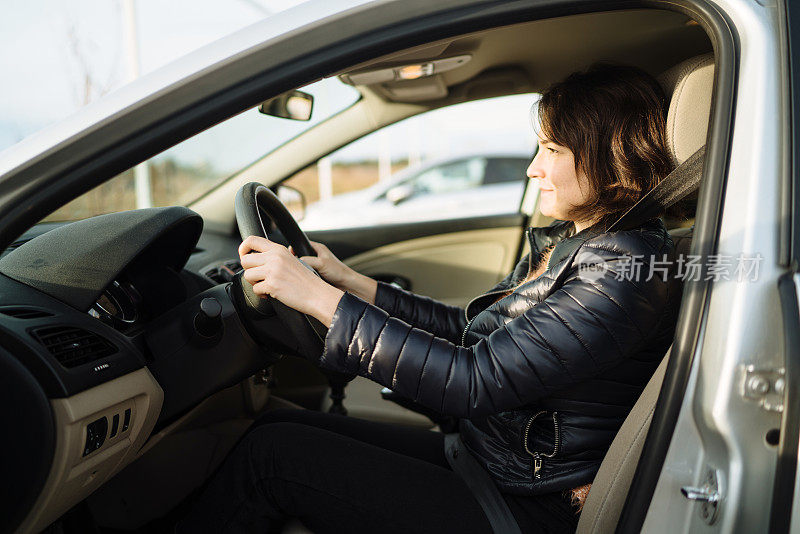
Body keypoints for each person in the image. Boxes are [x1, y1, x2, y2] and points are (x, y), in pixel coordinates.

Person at [176, 63, 682, 534]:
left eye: (551, 151)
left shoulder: (622, 270)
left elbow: (473, 379)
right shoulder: (584, 242)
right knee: (277, 422)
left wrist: (318, 300)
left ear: (613, 155)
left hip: (526, 504)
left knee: (272, 457)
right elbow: (473, 335)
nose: (532, 168)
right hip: (493, 459)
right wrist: (350, 283)